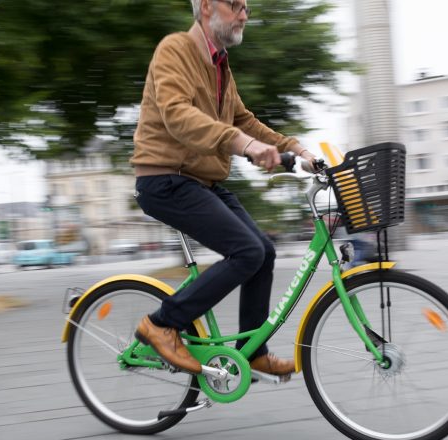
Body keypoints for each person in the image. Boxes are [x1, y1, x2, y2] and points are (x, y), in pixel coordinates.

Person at [130, 0, 317, 375]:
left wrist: (296, 148)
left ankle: (251, 350)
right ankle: (162, 324)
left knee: (263, 251)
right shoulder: (175, 49)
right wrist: (245, 146)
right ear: (205, 8)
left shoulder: (220, 67)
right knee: (246, 251)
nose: (244, 14)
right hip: (165, 178)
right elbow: (178, 114)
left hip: (203, 180)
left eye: (246, 6)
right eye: (235, 5)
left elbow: (245, 121)